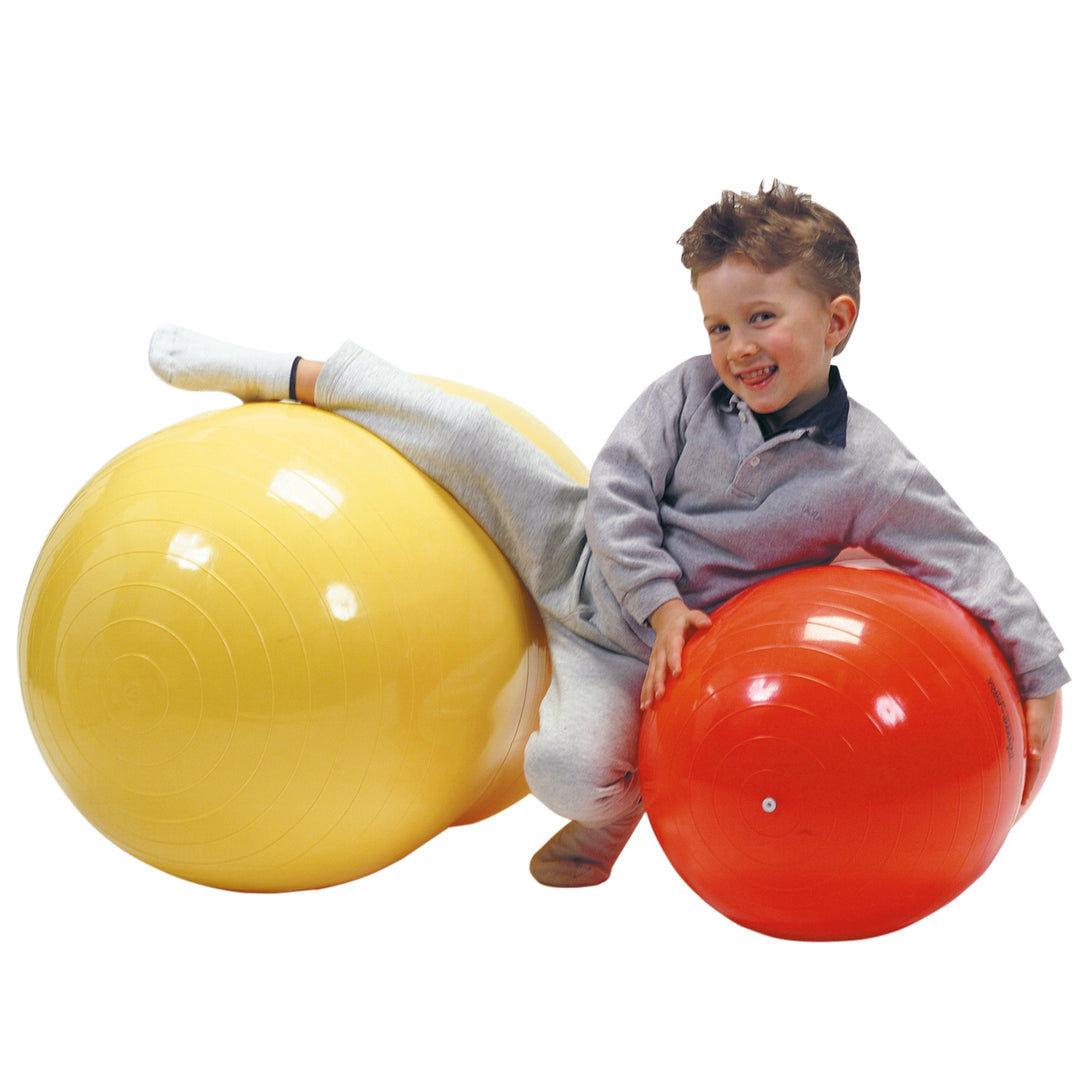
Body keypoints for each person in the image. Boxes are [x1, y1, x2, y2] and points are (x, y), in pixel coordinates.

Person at [148, 181, 1068, 889]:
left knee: (561, 769)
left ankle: (620, 812)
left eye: (762, 319)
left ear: (837, 322)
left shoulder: (869, 469)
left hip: (643, 663)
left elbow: (965, 558)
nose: (737, 347)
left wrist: (1039, 677)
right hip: (578, 551)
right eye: (718, 324)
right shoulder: (686, 392)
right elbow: (618, 491)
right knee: (470, 432)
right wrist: (660, 601)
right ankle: (287, 370)